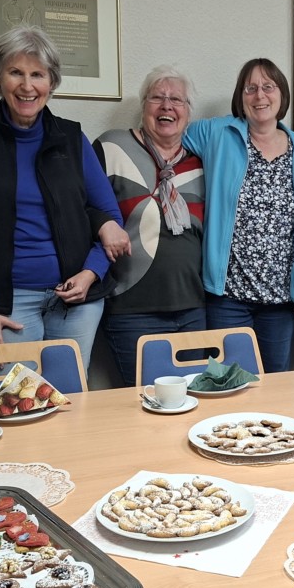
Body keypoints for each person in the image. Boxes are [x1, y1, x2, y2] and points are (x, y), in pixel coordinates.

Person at [0, 26, 127, 375]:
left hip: (75, 302)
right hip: (7, 303)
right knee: (15, 406)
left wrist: (91, 273)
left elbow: (109, 217)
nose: (27, 86)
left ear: (51, 82)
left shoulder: (73, 139)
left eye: (37, 75)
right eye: (16, 72)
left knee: (70, 402)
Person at [183, 58, 294, 372]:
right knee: (229, 383)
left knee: (275, 384)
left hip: (281, 298)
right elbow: (167, 135)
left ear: (282, 94)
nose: (259, 96)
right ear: (240, 98)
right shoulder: (217, 132)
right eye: (250, 88)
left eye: (268, 86)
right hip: (229, 296)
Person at [93, 66, 206, 386]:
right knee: (144, 404)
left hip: (193, 309)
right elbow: (82, 208)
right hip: (131, 309)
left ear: (188, 112)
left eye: (177, 100)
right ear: (143, 106)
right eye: (157, 97)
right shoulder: (111, 147)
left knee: (196, 401)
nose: (167, 105)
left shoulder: (201, 161)